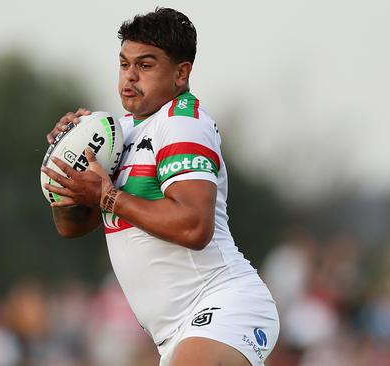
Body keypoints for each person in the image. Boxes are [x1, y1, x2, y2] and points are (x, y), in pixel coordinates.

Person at [41, 8, 279, 366]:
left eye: (146, 65)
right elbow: (70, 226)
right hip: (175, 336)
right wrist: (66, 168)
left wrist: (106, 196)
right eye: (124, 64)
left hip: (224, 304)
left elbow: (194, 226)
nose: (130, 77)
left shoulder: (183, 124)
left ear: (181, 73)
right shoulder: (117, 133)